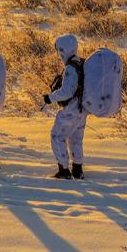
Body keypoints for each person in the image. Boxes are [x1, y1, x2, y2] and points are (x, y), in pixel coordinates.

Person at [43, 34, 86, 179]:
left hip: (72, 109)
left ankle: (64, 170)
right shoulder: (81, 62)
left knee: (57, 136)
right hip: (82, 109)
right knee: (75, 139)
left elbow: (67, 91)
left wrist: (50, 97)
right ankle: (78, 169)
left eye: (59, 50)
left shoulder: (70, 68)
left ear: (63, 50)